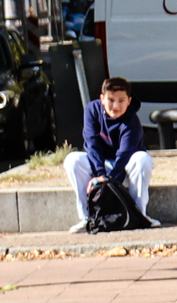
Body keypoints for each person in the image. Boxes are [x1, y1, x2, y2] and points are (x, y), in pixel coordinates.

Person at [66, 76, 154, 231]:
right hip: (101, 166)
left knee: (143, 159)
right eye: (111, 100)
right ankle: (88, 217)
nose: (116, 106)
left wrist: (107, 181)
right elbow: (91, 144)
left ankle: (139, 215)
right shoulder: (91, 110)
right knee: (72, 160)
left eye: (121, 100)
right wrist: (99, 175)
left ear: (129, 100)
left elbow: (124, 155)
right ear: (102, 99)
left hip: (126, 168)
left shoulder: (132, 122)